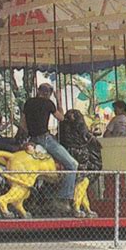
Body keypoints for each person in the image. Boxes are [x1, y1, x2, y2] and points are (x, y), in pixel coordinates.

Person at [20, 84, 78, 215]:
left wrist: (30, 136)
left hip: (32, 139)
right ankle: (64, 197)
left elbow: (22, 124)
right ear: (49, 93)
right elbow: (61, 118)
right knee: (73, 165)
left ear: (38, 91)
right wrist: (59, 100)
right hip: (45, 139)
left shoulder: (28, 103)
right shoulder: (48, 103)